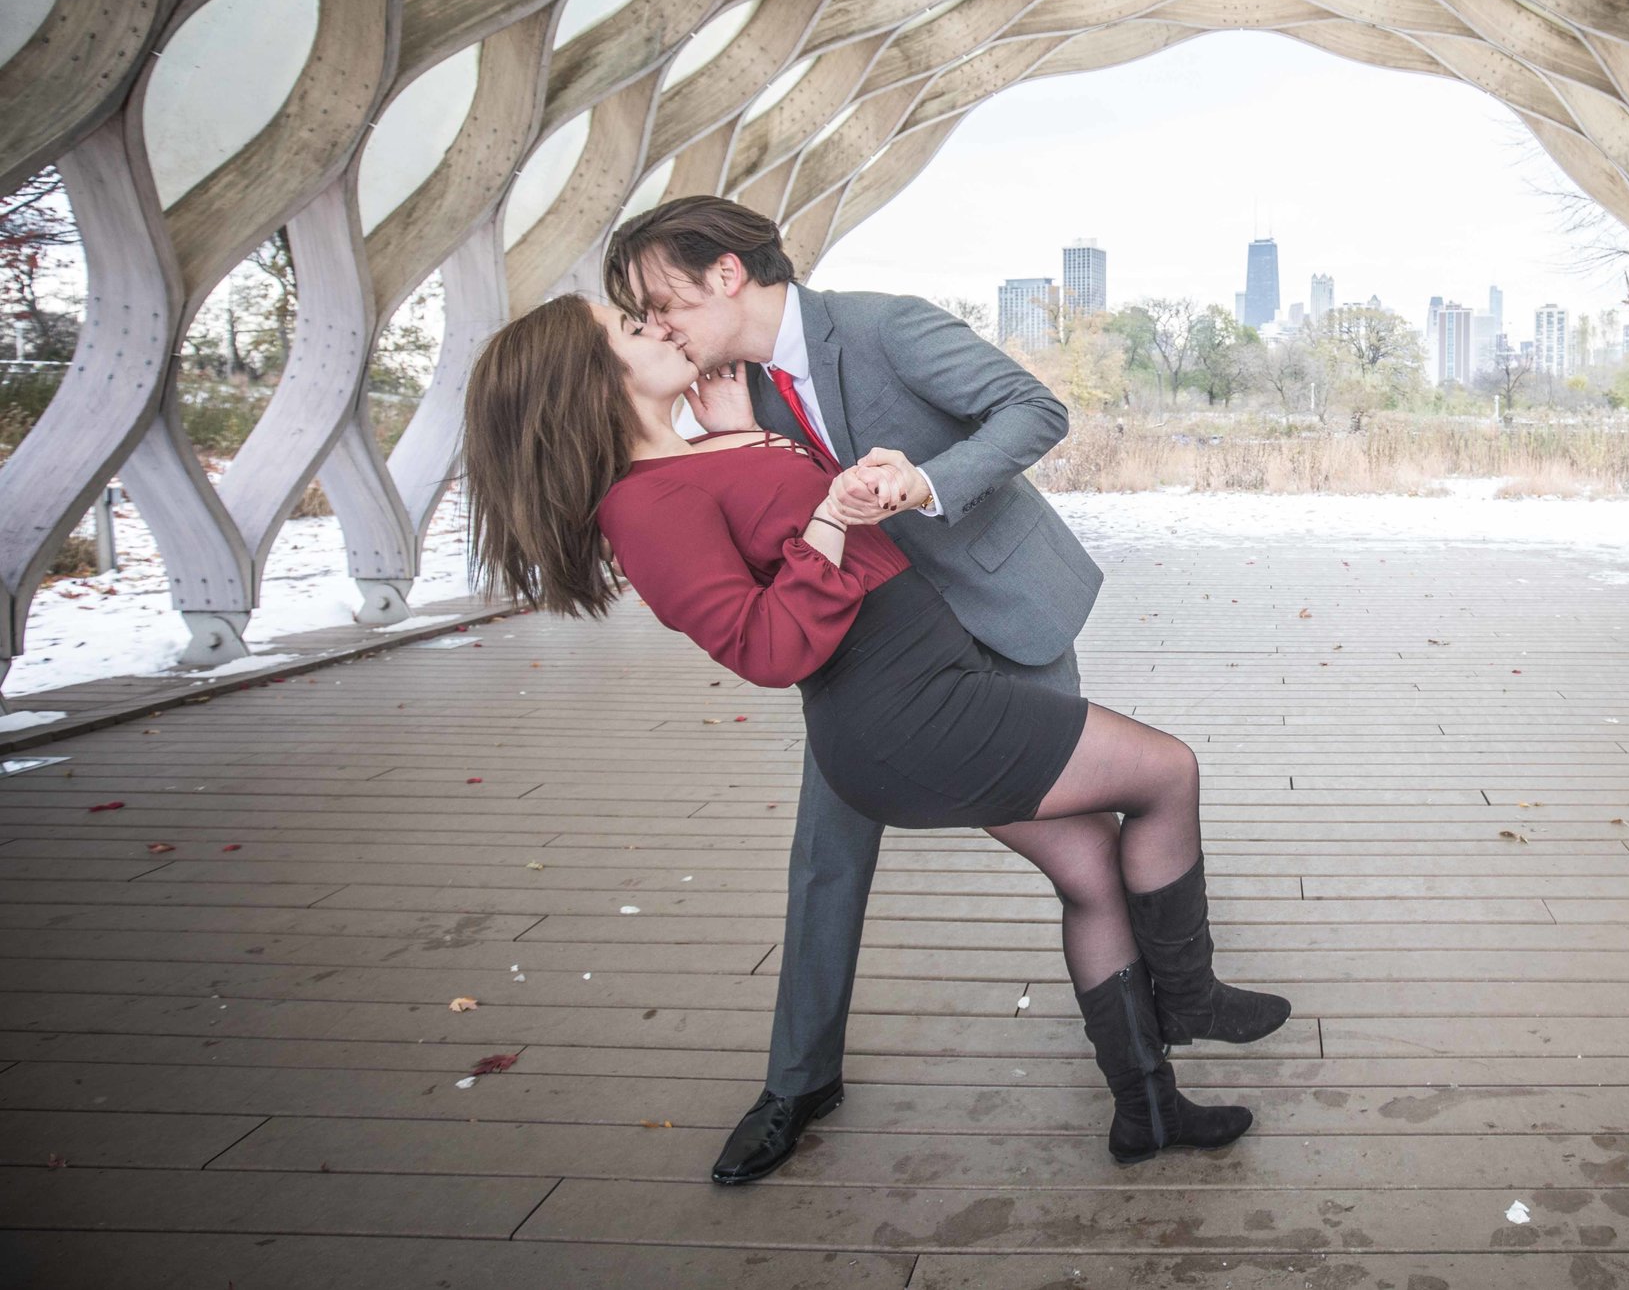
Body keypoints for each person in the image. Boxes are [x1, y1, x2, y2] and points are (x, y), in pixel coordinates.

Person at [461, 285, 1291, 1173]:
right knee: (1166, 771)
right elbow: (765, 645)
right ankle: (1191, 996)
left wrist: (753, 435)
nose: (657, 326)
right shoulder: (642, 507)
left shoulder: (699, 449)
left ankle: (1148, 1112)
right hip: (907, 712)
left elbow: (774, 521)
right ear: (588, 380)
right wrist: (827, 514)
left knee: (1090, 862)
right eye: (632, 326)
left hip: (930, 687)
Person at [608, 195, 1105, 1182]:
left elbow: (1034, 410)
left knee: (1084, 827)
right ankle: (797, 1080)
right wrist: (738, 438)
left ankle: (1155, 1011)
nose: (655, 323)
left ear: (725, 273)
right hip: (864, 645)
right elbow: (764, 514)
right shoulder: (725, 391)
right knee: (825, 852)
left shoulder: (883, 325)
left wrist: (924, 480)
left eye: (659, 297)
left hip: (1002, 607)